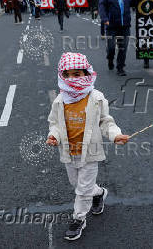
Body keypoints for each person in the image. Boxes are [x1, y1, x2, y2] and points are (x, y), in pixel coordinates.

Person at [46, 52, 129, 241]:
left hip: (91, 152)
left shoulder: (96, 97)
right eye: (67, 75)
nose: (72, 79)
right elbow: (55, 124)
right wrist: (53, 136)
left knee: (82, 189)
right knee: (77, 185)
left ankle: (78, 220)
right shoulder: (60, 101)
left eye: (77, 74)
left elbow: (106, 122)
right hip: (68, 151)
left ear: (86, 74)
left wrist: (115, 135)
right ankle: (99, 194)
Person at [99, 0, 135, 76]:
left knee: (122, 48)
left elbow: (132, 3)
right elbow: (102, 6)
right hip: (111, 26)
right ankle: (110, 59)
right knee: (111, 48)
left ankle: (120, 68)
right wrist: (105, 19)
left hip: (125, 26)